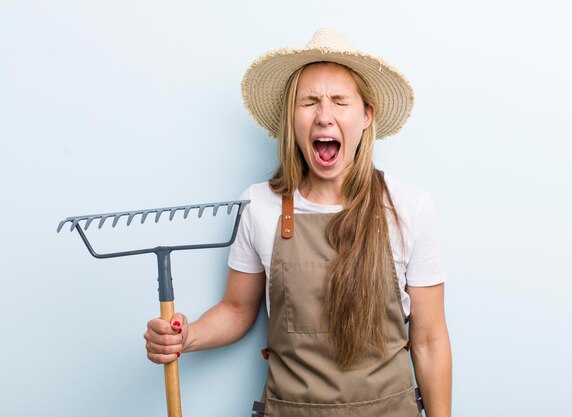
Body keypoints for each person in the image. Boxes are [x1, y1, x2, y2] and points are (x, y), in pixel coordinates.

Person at [144, 28, 452, 417]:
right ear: (292, 117)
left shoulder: (411, 207)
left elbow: (429, 340)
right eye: (309, 102)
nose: (324, 115)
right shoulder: (258, 205)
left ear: (366, 115)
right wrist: (186, 337)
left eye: (340, 101)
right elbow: (238, 310)